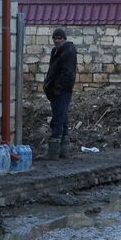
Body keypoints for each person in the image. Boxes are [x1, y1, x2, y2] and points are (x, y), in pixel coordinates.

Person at [42, 28, 78, 159]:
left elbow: (68, 74)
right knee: (63, 119)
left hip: (62, 91)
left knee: (58, 120)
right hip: (56, 91)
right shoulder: (56, 51)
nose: (57, 41)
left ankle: (53, 153)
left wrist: (57, 88)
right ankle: (64, 151)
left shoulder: (68, 51)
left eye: (59, 38)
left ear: (64, 39)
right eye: (55, 38)